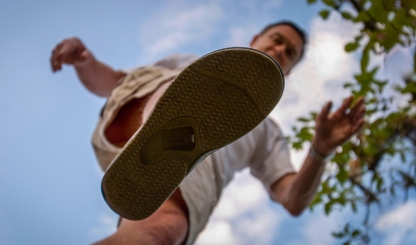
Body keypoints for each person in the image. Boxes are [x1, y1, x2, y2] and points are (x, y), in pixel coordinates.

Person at [50, 21, 365, 245]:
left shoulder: (268, 133)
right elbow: (112, 81)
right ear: (257, 37)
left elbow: (291, 198)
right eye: (277, 39)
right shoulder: (189, 63)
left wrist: (320, 151)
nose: (281, 49)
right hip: (131, 116)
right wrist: (85, 62)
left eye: (290, 52)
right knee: (183, 86)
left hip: (179, 184)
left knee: (155, 235)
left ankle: (167, 142)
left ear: (291, 69)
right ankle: (164, 124)